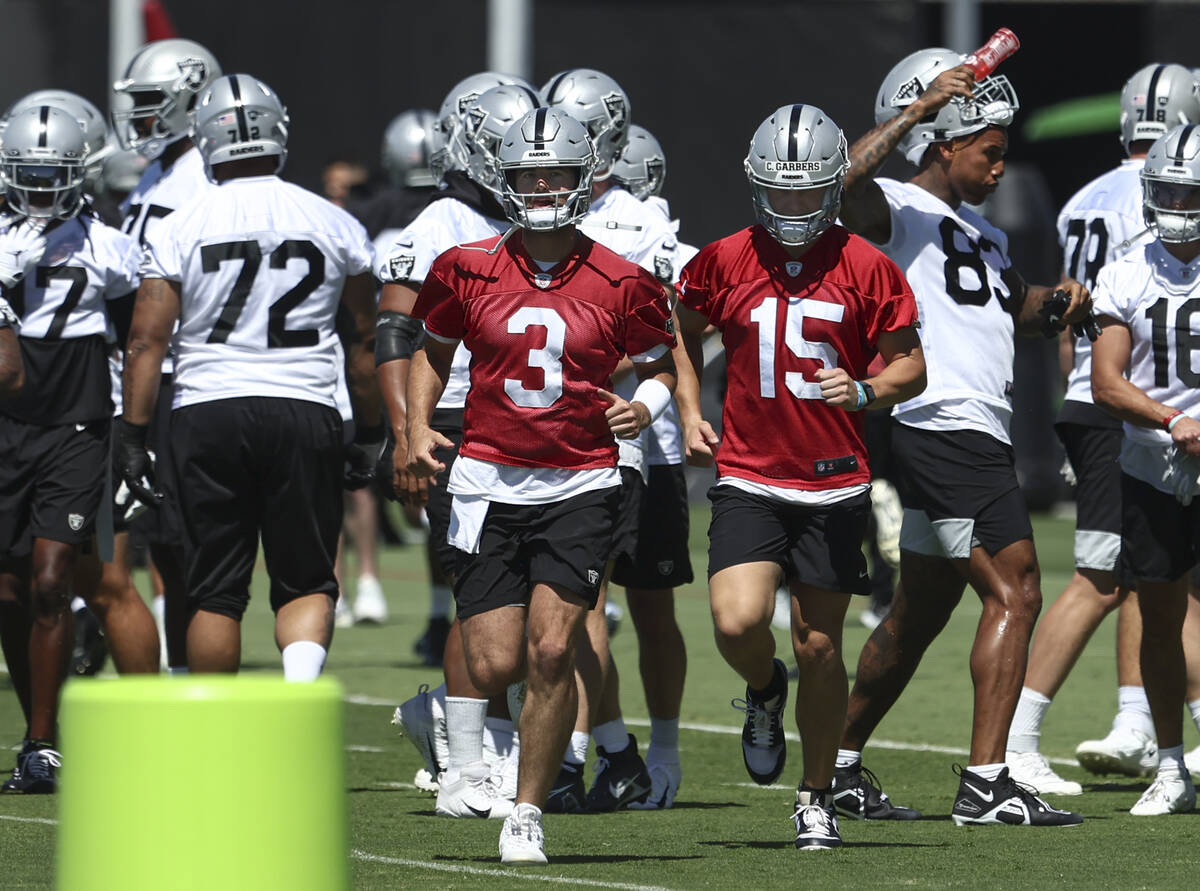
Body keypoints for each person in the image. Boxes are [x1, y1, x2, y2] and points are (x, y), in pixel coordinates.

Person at [404, 106, 676, 865]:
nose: (546, 184)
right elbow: (431, 349)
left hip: (581, 480)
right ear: (507, 181)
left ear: (587, 177)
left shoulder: (624, 279)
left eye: (558, 171)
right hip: (488, 479)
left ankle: (527, 809)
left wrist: (643, 407)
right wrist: (416, 426)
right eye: (530, 174)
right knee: (496, 662)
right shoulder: (465, 265)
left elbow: (660, 364)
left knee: (554, 648)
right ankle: (447, 719)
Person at [832, 47, 1090, 825]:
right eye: (989, 149)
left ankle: (837, 765)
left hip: (971, 424)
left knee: (920, 610)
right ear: (943, 142)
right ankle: (987, 781)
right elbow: (827, 189)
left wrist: (1068, 303)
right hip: (940, 419)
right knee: (1018, 587)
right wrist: (914, 111)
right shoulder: (895, 206)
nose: (1000, 164)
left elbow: (1013, 309)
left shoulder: (982, 232)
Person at [677, 103, 925, 850]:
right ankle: (762, 688)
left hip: (834, 479)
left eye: (805, 193)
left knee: (821, 644)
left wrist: (871, 388)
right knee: (736, 621)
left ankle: (814, 795)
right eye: (778, 193)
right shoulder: (721, 258)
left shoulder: (866, 264)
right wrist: (690, 407)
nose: (791, 208)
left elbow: (911, 363)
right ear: (756, 186)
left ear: (831, 190)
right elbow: (679, 330)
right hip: (751, 472)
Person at [119, 74, 379, 679]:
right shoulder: (330, 219)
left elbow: (146, 340)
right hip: (305, 403)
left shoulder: (180, 222)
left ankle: (215, 737)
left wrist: (133, 435)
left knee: (215, 590)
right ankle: (295, 702)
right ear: (279, 131)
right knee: (306, 581)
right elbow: (365, 337)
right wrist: (369, 429)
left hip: (207, 408)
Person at [1006, 62, 1200, 794]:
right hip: (1139, 407)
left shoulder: (1085, 196)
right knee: (1109, 573)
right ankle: (1027, 735)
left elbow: (1070, 322)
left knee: (1153, 577)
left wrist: (1075, 390)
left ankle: (1143, 722)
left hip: (1097, 392)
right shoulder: (1153, 204)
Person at [381, 79, 540, 808]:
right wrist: (407, 435)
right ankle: (474, 759)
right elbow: (393, 333)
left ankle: (455, 724)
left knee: (529, 596)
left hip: (525, 424)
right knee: (481, 593)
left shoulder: (536, 219)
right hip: (452, 422)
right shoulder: (442, 220)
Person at [541, 67, 683, 814]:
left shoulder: (640, 224)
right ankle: (585, 752)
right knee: (576, 603)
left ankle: (654, 751)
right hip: (562, 442)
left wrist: (675, 400)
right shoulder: (536, 209)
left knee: (648, 610)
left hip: (636, 443)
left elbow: (680, 326)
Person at [0, 106, 141, 792]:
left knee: (54, 577)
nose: (39, 190)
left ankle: (43, 741)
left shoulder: (110, 246)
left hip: (79, 428)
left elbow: (136, 342)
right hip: (4, 428)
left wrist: (138, 431)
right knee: (9, 589)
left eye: (51, 177)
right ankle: (36, 735)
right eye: (27, 176)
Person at [1091, 123, 1200, 815]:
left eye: (1187, 192)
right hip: (1154, 464)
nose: (1175, 204)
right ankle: (1170, 766)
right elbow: (1107, 381)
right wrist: (1171, 419)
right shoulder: (1127, 268)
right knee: (1159, 620)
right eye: (1165, 190)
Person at [113, 37, 224, 671]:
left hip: (183, 375)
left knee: (181, 542)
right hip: (147, 371)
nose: (143, 116)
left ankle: (182, 671)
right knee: (158, 541)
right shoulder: (160, 172)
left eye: (154, 102)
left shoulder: (201, 178)